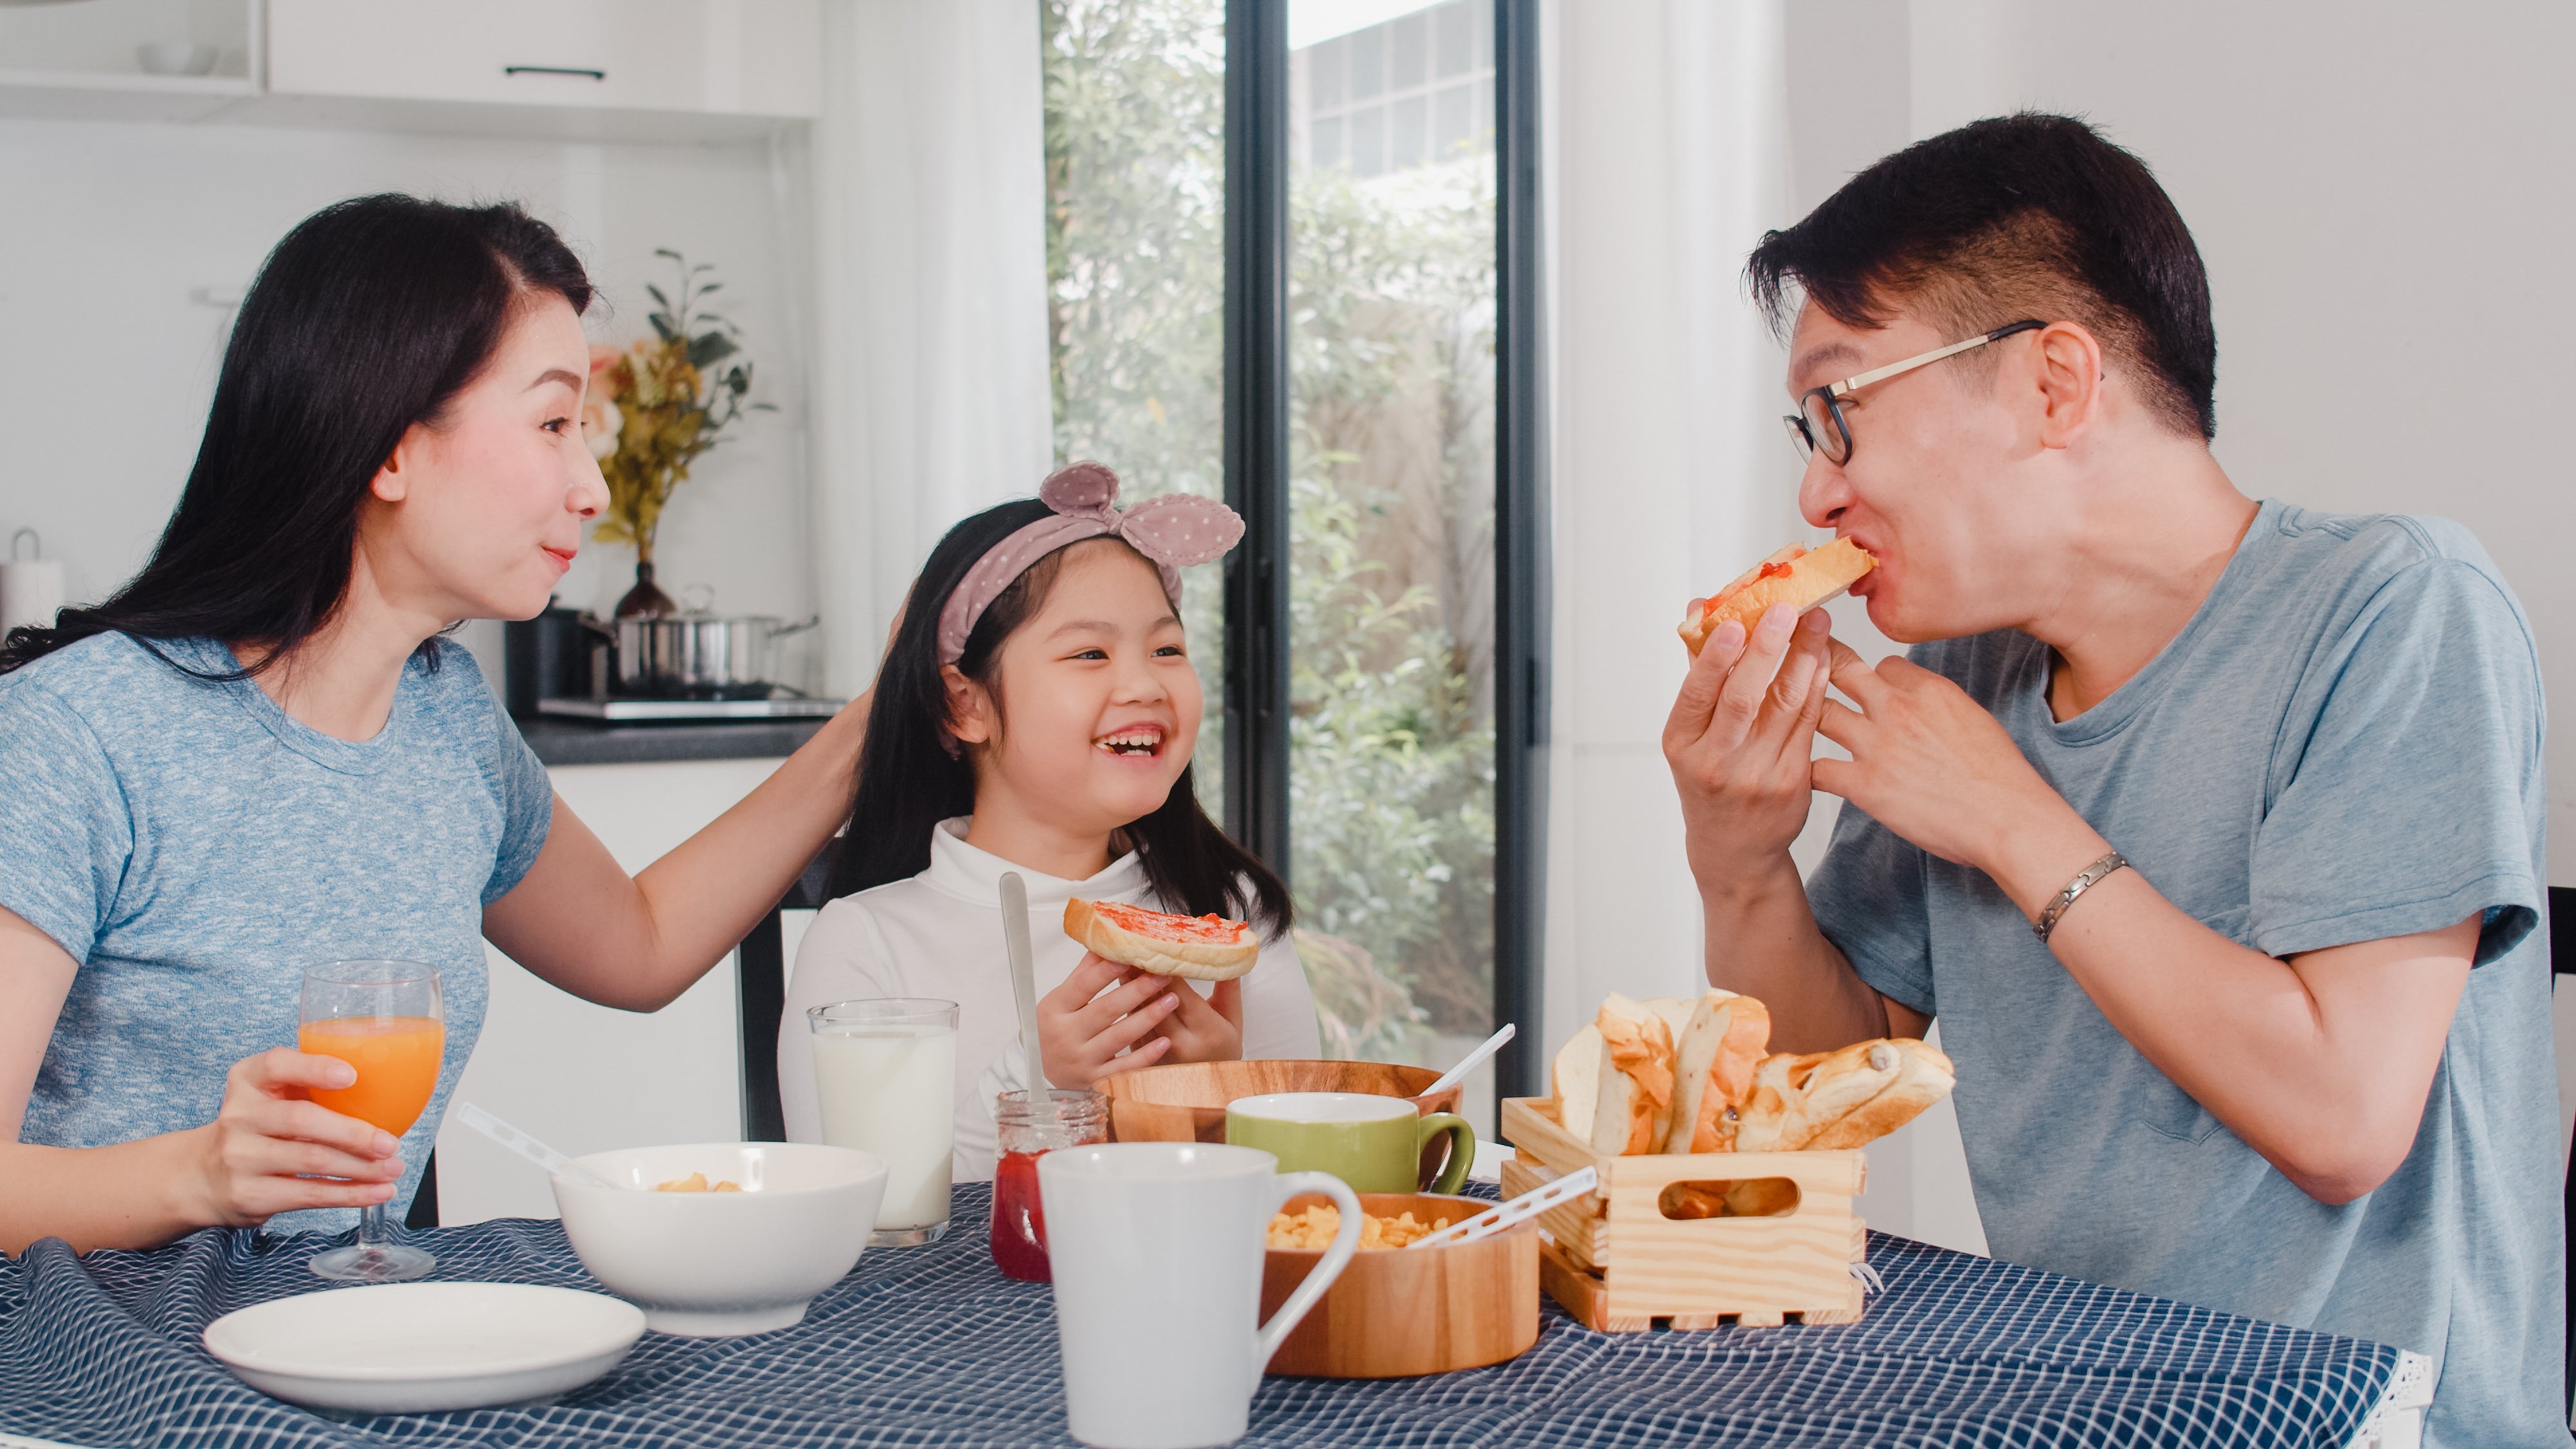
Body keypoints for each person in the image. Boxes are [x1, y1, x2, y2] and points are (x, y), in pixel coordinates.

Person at [1663, 115, 2561, 1446]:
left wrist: (2007, 819)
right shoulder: (1971, 669)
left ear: (2052, 385)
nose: (1813, 493)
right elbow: (1806, 1108)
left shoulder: (2392, 606)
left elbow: (2341, 1116)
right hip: (2070, 1403)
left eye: (1840, 412)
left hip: (2368, 1423)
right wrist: (1736, 858)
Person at [0, 196, 868, 1253]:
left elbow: (639, 948)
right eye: (553, 424)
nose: (591, 488)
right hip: (89, 1367)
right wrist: (195, 1173)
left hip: (337, 1331)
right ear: (391, 448)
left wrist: (875, 726)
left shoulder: (445, 716)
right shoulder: (76, 736)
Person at [781, 463, 1320, 1180]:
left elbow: (1317, 1197)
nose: (1144, 684)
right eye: (1089, 653)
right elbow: (848, 1215)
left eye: (1167, 649)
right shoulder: (866, 943)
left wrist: (1218, 1105)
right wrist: (1039, 1086)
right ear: (964, 705)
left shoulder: (1229, 916)